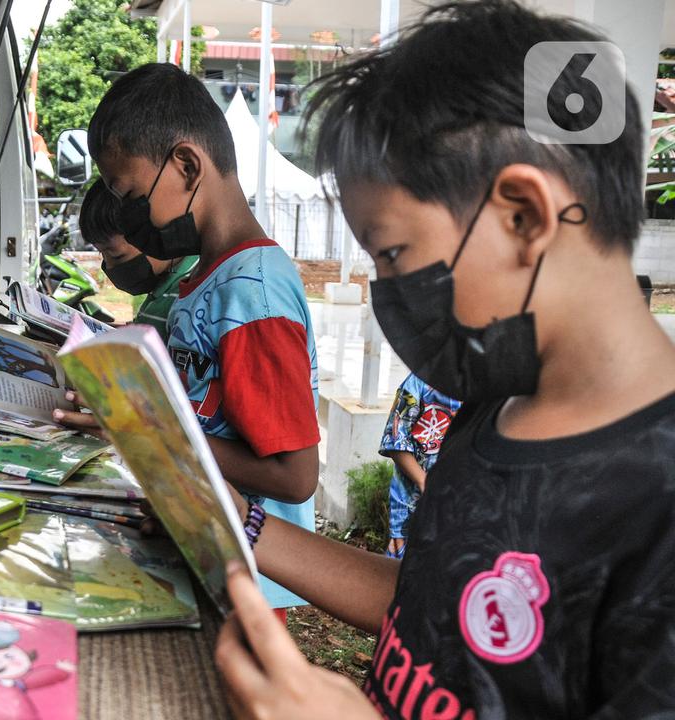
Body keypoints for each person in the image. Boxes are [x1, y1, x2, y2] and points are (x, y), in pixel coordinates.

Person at [214, 1, 675, 717]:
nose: (389, 294)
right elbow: (432, 598)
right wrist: (238, 520)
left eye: (393, 254)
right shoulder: (494, 406)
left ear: (523, 213)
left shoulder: (658, 506)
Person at [59, 62, 321, 616]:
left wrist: (140, 427)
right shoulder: (211, 276)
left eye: (132, 196)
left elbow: (293, 476)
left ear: (185, 165)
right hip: (210, 546)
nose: (131, 222)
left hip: (248, 569)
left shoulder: (253, 294)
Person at [77, 179, 198, 340]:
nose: (109, 266)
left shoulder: (190, 292)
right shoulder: (162, 288)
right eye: (102, 254)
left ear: (155, 230)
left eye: (116, 255)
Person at [379, 372, 461, 558]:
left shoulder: (487, 391)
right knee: (403, 572)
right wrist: (425, 482)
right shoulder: (417, 383)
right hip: (412, 506)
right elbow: (395, 441)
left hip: (459, 510)